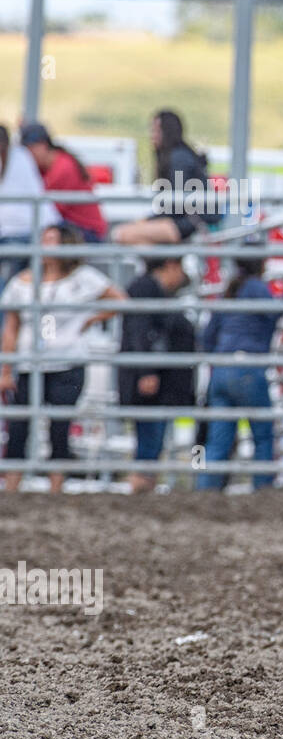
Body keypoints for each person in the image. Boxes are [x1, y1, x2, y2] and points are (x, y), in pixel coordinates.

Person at [0, 225, 126, 492]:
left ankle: (55, 489)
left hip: (67, 362)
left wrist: (91, 318)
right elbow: (10, 328)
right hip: (29, 364)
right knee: (19, 428)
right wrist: (6, 370)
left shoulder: (83, 278)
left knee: (60, 428)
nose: (46, 246)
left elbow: (119, 300)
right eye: (43, 240)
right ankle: (12, 488)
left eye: (52, 240)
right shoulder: (22, 282)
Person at [196, 256, 283, 491]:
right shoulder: (255, 287)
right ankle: (262, 489)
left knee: (217, 440)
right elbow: (276, 312)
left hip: (221, 370)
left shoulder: (229, 292)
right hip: (249, 367)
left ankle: (205, 491)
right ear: (261, 265)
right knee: (262, 436)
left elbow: (208, 335)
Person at [119, 256, 197, 494]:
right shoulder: (146, 289)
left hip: (158, 379)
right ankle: (141, 488)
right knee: (150, 438)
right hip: (153, 381)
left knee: (151, 439)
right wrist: (148, 371)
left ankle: (145, 487)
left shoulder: (153, 290)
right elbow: (141, 331)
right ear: (170, 265)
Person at [113, 110, 213, 244]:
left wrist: (148, 221)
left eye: (155, 131)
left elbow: (176, 206)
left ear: (167, 132)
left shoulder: (179, 159)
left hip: (192, 223)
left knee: (121, 234)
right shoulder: (179, 155)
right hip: (186, 221)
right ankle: (162, 264)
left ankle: (162, 263)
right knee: (134, 233)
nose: (152, 136)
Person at [18, 123, 108, 242]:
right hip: (70, 228)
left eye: (30, 150)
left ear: (43, 145)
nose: (28, 156)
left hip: (87, 232)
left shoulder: (63, 167)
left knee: (26, 241)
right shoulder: (45, 167)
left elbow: (47, 212)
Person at [0, 125, 60, 293]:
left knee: (12, 288)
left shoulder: (16, 156)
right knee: (22, 285)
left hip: (14, 234)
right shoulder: (22, 155)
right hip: (39, 229)